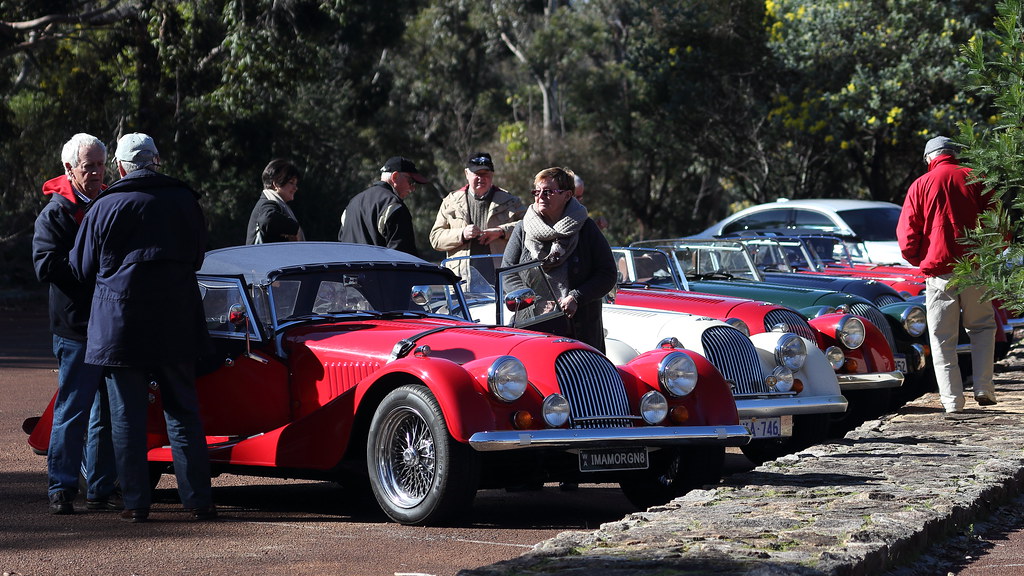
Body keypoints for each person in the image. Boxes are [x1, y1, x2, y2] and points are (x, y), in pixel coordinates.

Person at [70, 133, 216, 522]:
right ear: (156, 160)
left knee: (126, 417)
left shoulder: (105, 205)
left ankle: (136, 503)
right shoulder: (185, 200)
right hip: (176, 320)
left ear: (120, 167)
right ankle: (198, 500)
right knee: (183, 412)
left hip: (122, 324)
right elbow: (198, 257)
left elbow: (82, 267)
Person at [32, 133, 118, 514]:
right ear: (70, 169)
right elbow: (44, 265)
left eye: (101, 165)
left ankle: (100, 488)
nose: (97, 172)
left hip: (110, 325)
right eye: (89, 166)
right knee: (73, 409)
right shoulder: (55, 213)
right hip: (76, 328)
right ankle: (61, 487)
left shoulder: (110, 202)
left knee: (107, 412)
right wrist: (93, 271)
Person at [897, 135, 998, 414]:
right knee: (982, 327)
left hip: (939, 271)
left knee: (942, 338)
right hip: (975, 267)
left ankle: (952, 401)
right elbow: (996, 221)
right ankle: (984, 387)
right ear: (954, 154)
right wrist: (991, 254)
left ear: (930, 158)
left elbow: (907, 236)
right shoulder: (977, 178)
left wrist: (921, 259)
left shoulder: (920, 185)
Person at [501, 167, 617, 353]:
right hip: (531, 328)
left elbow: (607, 273)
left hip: (579, 331)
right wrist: (533, 300)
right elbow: (508, 272)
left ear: (567, 195)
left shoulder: (586, 227)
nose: (540, 196)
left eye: (548, 191)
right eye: (536, 192)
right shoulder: (523, 228)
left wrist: (577, 297)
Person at [429, 152, 525, 283]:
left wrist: (501, 232)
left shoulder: (511, 201)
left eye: (486, 174)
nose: (482, 178)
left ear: (492, 175)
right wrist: (462, 234)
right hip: (461, 281)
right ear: (466, 174)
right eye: (477, 174)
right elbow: (435, 238)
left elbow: (528, 227)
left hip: (501, 280)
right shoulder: (450, 202)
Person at [338, 156, 428, 256]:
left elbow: (342, 244)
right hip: (380, 266)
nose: (413, 188)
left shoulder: (353, 203)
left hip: (349, 265)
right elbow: (403, 257)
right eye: (411, 182)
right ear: (395, 177)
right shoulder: (394, 206)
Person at [245, 159, 305, 244]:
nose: (295, 188)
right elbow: (267, 219)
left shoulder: (274, 204)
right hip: (262, 253)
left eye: (296, 184)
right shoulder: (267, 204)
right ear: (276, 184)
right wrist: (295, 229)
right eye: (291, 182)